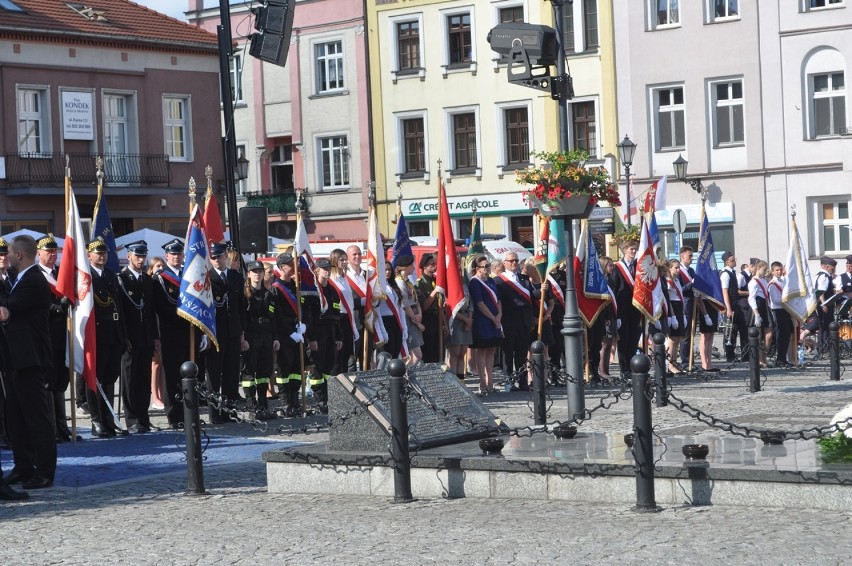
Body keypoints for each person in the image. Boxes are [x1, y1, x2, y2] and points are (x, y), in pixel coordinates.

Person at [0, 235, 57, 489]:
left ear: (20, 255)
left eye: (10, 252)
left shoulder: (33, 280)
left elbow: (6, 311)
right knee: (16, 419)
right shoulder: (20, 279)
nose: (7, 256)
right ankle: (23, 467)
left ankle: (44, 471)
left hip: (31, 358)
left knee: (36, 417)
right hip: (15, 359)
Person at [85, 237, 129, 438]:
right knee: (96, 380)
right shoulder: (87, 278)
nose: (101, 256)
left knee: (110, 378)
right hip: (97, 336)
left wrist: (123, 335)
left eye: (104, 253)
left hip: (114, 335)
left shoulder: (111, 275)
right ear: (89, 255)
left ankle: (109, 418)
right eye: (97, 253)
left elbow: (118, 306)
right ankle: (97, 420)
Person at [34, 234, 75, 442]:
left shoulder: (61, 273)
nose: (52, 255)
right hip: (46, 335)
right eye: (47, 251)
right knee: (48, 382)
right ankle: (51, 427)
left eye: (54, 251)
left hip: (63, 337)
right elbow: (37, 304)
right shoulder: (36, 275)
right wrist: (59, 309)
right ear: (38, 253)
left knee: (61, 381)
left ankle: (62, 426)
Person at [117, 240, 159, 433]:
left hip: (146, 336)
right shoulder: (121, 280)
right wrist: (124, 337)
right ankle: (132, 418)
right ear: (129, 257)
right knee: (129, 379)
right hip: (130, 339)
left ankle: (143, 416)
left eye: (143, 256)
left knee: (144, 377)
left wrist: (155, 336)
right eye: (137, 256)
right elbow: (121, 312)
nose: (141, 260)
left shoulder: (148, 280)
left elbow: (152, 311)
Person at [205, 243, 248, 423]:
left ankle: (229, 411)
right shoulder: (206, 278)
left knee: (231, 374)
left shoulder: (235, 277)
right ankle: (215, 413)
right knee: (214, 375)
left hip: (233, 331)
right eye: (213, 257)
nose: (217, 260)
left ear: (225, 257)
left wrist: (242, 334)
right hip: (215, 333)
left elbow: (241, 307)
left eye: (220, 256)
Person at [152, 238, 191, 429]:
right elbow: (159, 308)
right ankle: (174, 416)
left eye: (179, 253)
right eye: (173, 254)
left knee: (190, 377)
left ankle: (188, 413)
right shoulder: (160, 277)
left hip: (188, 334)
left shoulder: (189, 274)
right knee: (172, 376)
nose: (176, 257)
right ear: (167, 256)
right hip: (170, 333)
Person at [241, 261, 279, 419]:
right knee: (249, 372)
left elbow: (274, 318)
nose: (257, 274)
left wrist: (275, 338)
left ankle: (263, 405)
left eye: (260, 271)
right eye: (254, 271)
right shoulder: (245, 294)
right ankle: (252, 406)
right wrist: (243, 338)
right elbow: (242, 318)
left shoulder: (268, 294)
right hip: (250, 335)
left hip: (266, 335)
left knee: (264, 371)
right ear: (248, 274)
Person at [272, 252, 307, 415]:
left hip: (297, 334)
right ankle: (285, 402)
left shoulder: (296, 285)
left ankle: (295, 400)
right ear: (281, 267)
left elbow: (301, 309)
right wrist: (289, 331)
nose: (294, 267)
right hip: (285, 336)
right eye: (289, 264)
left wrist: (302, 326)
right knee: (284, 371)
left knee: (296, 370)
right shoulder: (276, 288)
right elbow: (277, 315)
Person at [496, 251, 536, 390]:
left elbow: (531, 296)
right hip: (508, 321)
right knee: (508, 353)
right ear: (504, 263)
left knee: (522, 353)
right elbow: (498, 302)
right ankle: (509, 381)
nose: (514, 263)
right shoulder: (499, 281)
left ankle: (523, 381)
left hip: (524, 321)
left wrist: (540, 289)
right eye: (511, 260)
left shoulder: (524, 278)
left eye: (516, 260)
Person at [305, 258, 341, 412]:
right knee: (317, 368)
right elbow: (308, 317)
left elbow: (337, 314)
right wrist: (311, 338)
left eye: (328, 268)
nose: (327, 271)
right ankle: (319, 399)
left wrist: (339, 336)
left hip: (331, 331)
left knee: (328, 365)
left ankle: (326, 398)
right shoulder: (312, 291)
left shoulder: (333, 291)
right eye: (324, 268)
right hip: (317, 331)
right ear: (317, 271)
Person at [609, 236, 642, 378]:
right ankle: (624, 369)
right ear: (624, 251)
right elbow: (613, 291)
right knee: (624, 340)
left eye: (635, 249)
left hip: (636, 309)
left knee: (634, 339)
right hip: (622, 309)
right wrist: (615, 315)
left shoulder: (639, 266)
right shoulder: (617, 268)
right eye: (631, 249)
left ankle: (633, 365)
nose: (634, 251)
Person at [469, 255, 502, 393]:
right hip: (482, 320)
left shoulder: (491, 281)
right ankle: (483, 383)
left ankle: (490, 382)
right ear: (477, 269)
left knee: (491, 350)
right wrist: (492, 318)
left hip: (495, 319)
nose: (488, 268)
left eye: (488, 266)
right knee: (482, 351)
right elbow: (480, 303)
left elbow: (498, 300)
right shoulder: (475, 282)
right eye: (485, 266)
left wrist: (499, 315)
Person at [328, 249, 357, 377]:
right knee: (336, 357)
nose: (345, 262)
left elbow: (350, 303)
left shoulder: (344, 279)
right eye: (341, 260)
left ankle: (344, 387)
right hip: (337, 319)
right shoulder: (331, 279)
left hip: (347, 319)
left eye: (346, 259)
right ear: (334, 261)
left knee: (346, 355)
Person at [147, 256, 166, 410]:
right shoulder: (151, 282)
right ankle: (155, 396)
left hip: (164, 326)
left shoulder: (164, 282)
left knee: (162, 364)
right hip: (155, 327)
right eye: (157, 266)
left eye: (162, 266)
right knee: (156, 364)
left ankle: (161, 394)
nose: (160, 268)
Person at [416, 254, 442, 363]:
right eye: (432, 264)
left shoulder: (437, 281)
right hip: (427, 319)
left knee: (438, 349)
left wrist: (444, 322)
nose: (435, 266)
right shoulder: (420, 283)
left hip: (438, 317)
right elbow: (425, 306)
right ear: (424, 266)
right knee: (428, 350)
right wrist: (435, 291)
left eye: (435, 263)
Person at [397, 258, 424, 363]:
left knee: (416, 355)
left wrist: (420, 313)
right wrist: (417, 322)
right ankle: (406, 375)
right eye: (411, 265)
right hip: (408, 318)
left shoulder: (408, 281)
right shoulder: (400, 282)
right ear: (404, 267)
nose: (413, 267)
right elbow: (405, 304)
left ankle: (408, 375)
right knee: (417, 355)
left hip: (415, 315)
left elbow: (415, 299)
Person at [446, 277, 472, 382]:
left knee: (462, 353)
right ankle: (454, 381)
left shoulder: (464, 284)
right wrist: (465, 319)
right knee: (455, 353)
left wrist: (469, 319)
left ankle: (461, 381)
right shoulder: (450, 286)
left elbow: (470, 303)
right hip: (456, 319)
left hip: (466, 320)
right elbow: (450, 307)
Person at [380, 260, 407, 359]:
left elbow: (400, 308)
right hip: (384, 321)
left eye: (389, 269)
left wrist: (404, 327)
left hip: (395, 320)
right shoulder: (378, 287)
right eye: (385, 270)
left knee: (396, 349)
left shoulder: (393, 286)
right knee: (389, 351)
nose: (387, 272)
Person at [768, 261, 793, 367]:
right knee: (781, 334)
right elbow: (775, 300)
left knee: (787, 334)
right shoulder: (773, 284)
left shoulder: (783, 281)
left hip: (785, 310)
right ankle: (779, 358)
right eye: (777, 270)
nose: (779, 272)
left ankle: (783, 357)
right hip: (778, 311)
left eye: (780, 270)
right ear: (772, 271)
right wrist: (787, 299)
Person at [665, 259, 687, 374]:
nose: (678, 270)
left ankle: (674, 361)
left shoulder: (677, 280)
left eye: (679, 268)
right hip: (673, 308)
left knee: (678, 339)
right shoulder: (668, 282)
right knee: (672, 339)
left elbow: (681, 298)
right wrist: (672, 316)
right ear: (669, 268)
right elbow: (668, 300)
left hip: (679, 308)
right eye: (675, 268)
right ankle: (670, 364)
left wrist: (682, 314)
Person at [719, 251, 741, 363]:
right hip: (730, 305)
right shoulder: (725, 274)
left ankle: (732, 352)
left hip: (735, 304)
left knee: (734, 330)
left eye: (734, 259)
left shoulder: (732, 273)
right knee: (729, 330)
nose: (734, 262)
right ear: (727, 262)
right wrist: (728, 308)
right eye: (732, 260)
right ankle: (729, 354)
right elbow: (725, 292)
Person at [814, 255, 840, 350]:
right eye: (832, 267)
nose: (833, 269)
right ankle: (824, 347)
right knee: (826, 326)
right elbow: (821, 291)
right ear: (826, 266)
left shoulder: (819, 275)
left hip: (823, 305)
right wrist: (824, 304)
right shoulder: (824, 276)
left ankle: (823, 347)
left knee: (824, 326)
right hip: (825, 306)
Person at [677, 246, 695, 366]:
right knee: (686, 336)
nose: (691, 258)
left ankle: (690, 361)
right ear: (682, 256)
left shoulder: (692, 271)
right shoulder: (678, 271)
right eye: (689, 256)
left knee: (692, 334)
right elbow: (680, 290)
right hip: (685, 305)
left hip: (694, 304)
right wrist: (691, 284)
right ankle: (685, 362)